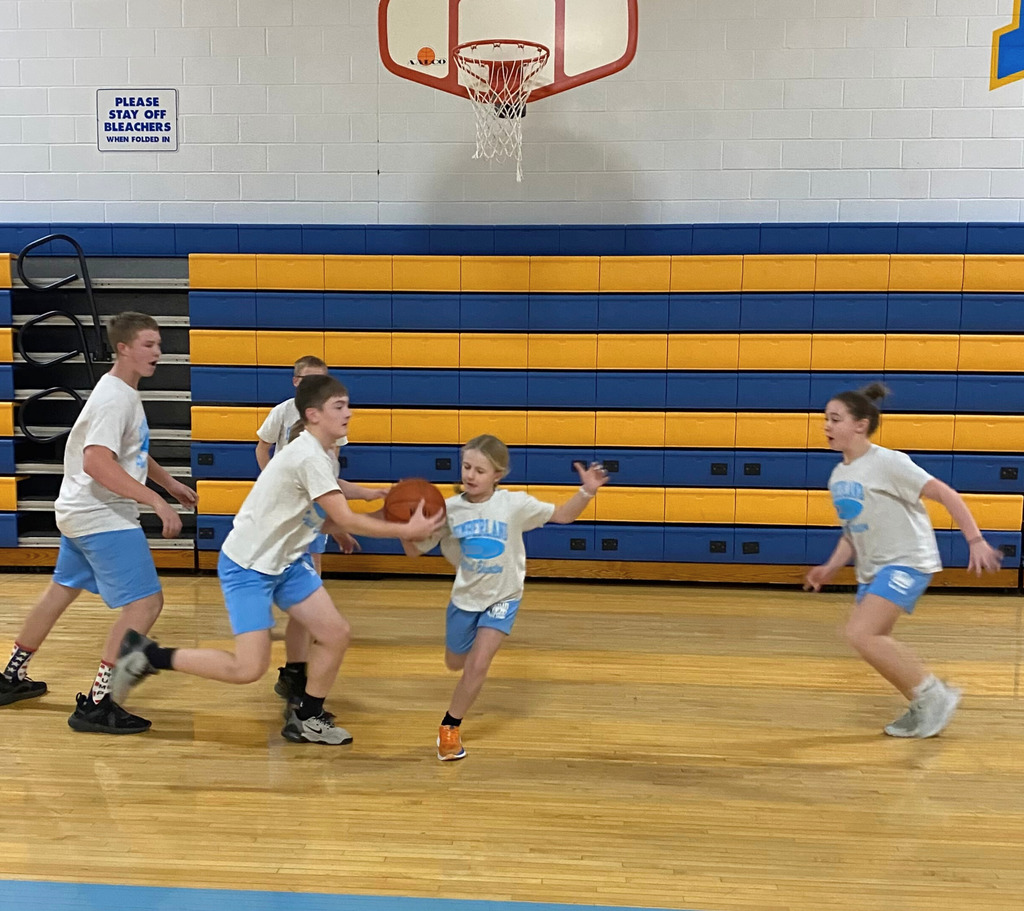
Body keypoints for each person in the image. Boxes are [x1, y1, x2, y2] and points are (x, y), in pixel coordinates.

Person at [111, 374, 444, 745]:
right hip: (248, 566)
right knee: (247, 668)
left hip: (286, 562)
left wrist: (375, 496)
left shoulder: (322, 454)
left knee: (335, 634)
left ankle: (307, 718)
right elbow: (343, 517)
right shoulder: (307, 457)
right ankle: (148, 655)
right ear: (313, 415)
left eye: (348, 405)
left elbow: (330, 506)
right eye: (339, 406)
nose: (348, 413)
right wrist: (403, 529)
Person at [0, 311, 198, 734]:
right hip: (100, 515)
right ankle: (98, 703)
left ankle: (10, 676)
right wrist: (155, 501)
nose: (158, 352)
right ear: (122, 348)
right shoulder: (115, 397)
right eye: (148, 345)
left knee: (60, 592)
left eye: (159, 345)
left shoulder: (120, 391)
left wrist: (168, 483)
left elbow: (129, 451)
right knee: (146, 603)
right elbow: (96, 462)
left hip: (77, 512)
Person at [803, 383, 1003, 739]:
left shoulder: (888, 462)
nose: (827, 426)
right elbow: (852, 532)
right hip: (874, 568)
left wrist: (975, 540)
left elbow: (945, 493)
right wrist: (830, 567)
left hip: (908, 560)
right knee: (874, 641)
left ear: (860, 425)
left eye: (835, 419)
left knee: (861, 634)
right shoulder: (839, 476)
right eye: (826, 420)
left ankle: (934, 696)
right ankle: (924, 701)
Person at [403, 434, 608, 761]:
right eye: (467, 466)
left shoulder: (514, 505)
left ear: (497, 475)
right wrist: (405, 527)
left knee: (478, 665)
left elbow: (563, 516)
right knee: (455, 663)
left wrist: (586, 491)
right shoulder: (450, 510)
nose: (470, 475)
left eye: (479, 470)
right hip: (465, 599)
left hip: (504, 597)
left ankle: (450, 727)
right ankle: (461, 669)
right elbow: (414, 551)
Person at [254, 354, 384, 707]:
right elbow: (264, 448)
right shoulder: (291, 426)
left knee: (310, 594)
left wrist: (356, 501)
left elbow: (329, 476)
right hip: (284, 522)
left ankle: (295, 672)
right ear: (298, 386)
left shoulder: (325, 438)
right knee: (246, 663)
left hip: (308, 516)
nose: (346, 412)